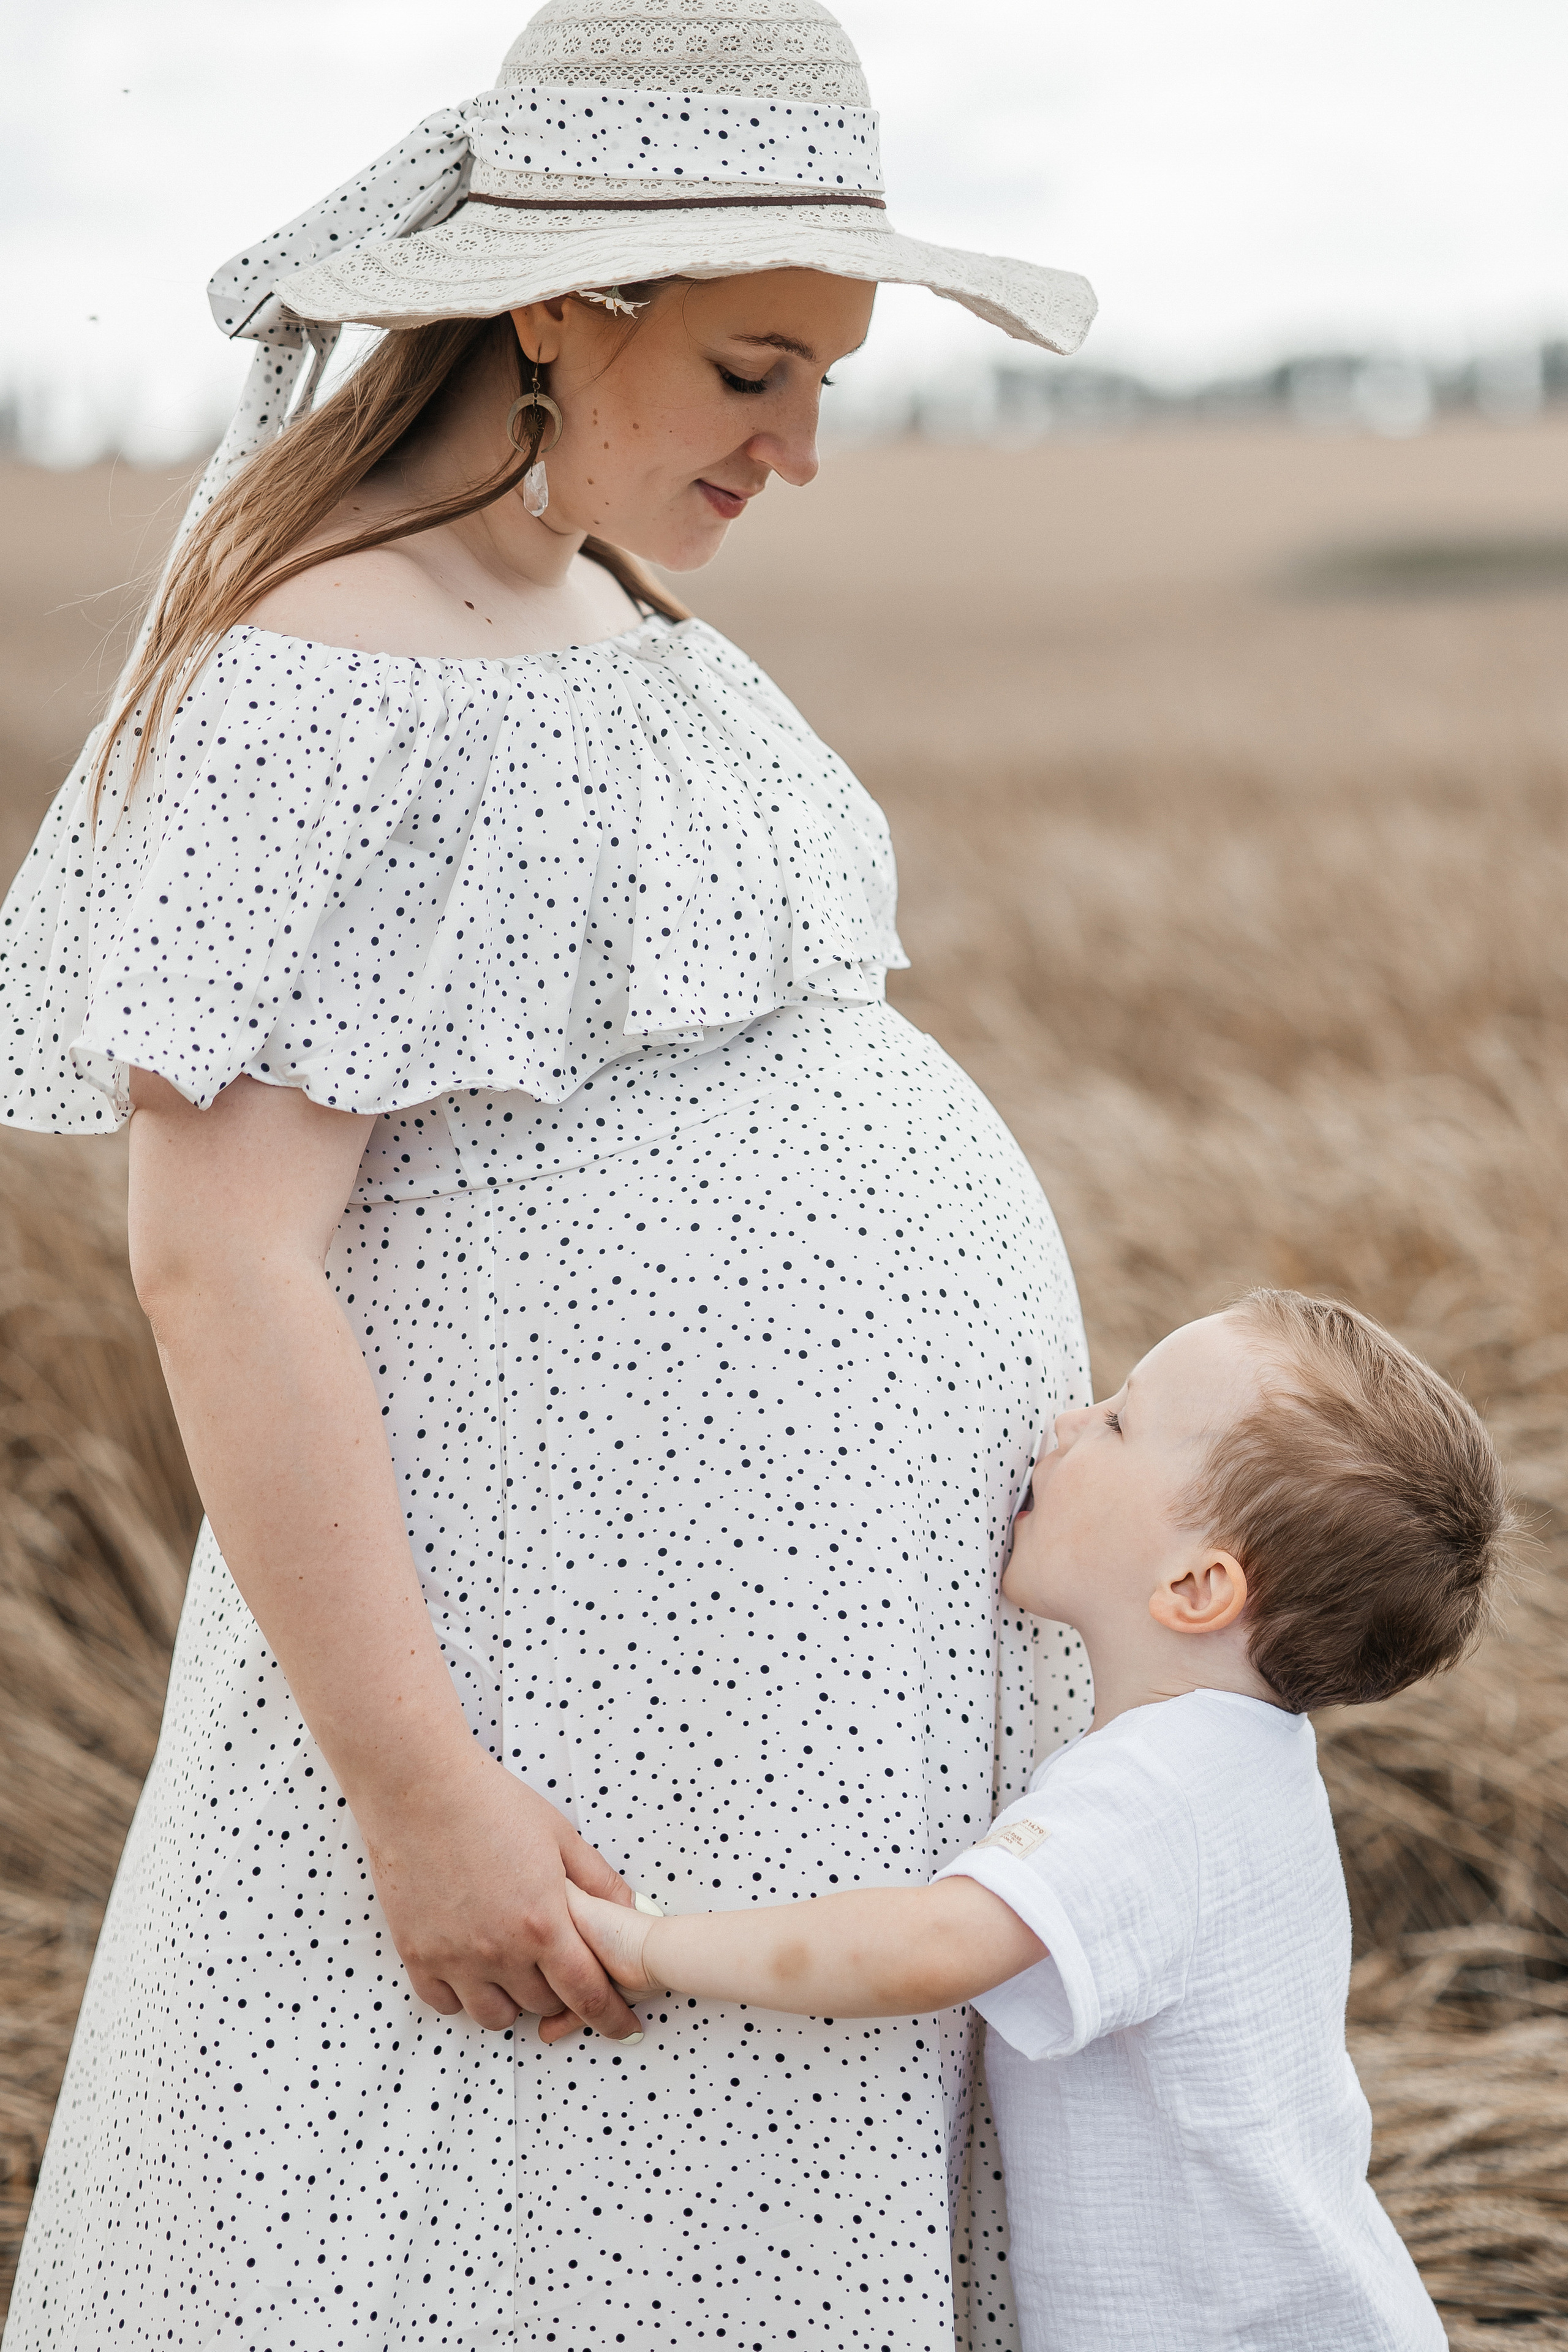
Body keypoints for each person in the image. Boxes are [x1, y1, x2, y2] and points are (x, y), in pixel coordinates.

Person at [0, 6, 1101, 2350]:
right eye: (751, 371)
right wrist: (418, 1793)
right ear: (558, 307)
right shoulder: (326, 663)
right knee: (522, 2217)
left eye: (831, 379)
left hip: (791, 1667)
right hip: (557, 1679)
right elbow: (219, 1266)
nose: (801, 446)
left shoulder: (605, 606)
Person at [566, 1290, 1512, 2352]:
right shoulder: (1248, 1764)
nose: (1063, 1422)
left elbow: (931, 1947)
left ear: (1196, 1586)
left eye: (1116, 1421)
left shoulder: (1161, 1790)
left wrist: (652, 1946)